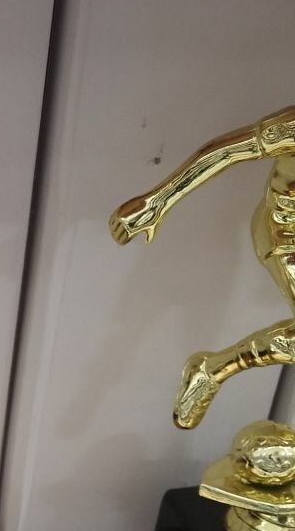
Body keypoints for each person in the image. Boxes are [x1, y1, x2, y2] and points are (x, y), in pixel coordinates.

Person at [110, 105, 295, 429]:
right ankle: (214, 370)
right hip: (285, 235)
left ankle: (214, 369)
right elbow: (227, 151)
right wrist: (157, 201)